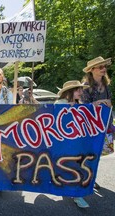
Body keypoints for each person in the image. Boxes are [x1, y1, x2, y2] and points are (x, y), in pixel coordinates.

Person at [55, 80, 90, 208]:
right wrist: (65, 110)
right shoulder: (60, 103)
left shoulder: (80, 104)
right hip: (63, 143)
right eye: (78, 90)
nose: (81, 92)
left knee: (76, 167)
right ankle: (71, 191)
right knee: (65, 167)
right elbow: (53, 119)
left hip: (76, 143)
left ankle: (77, 195)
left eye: (81, 89)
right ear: (70, 92)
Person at [81, 56, 113, 189]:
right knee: (87, 153)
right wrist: (96, 103)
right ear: (92, 70)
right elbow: (82, 107)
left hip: (103, 124)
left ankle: (91, 177)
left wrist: (108, 104)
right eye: (100, 67)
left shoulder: (105, 85)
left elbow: (109, 102)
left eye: (104, 66)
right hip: (89, 126)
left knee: (98, 153)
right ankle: (85, 177)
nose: (104, 69)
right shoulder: (85, 87)